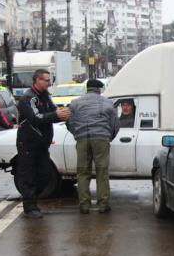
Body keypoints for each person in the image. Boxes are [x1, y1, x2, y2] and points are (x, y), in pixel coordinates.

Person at [16, 69, 70, 218]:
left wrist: (62, 114)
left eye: (49, 80)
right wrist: (55, 115)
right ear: (37, 80)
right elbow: (36, 117)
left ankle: (32, 197)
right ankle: (30, 206)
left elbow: (53, 112)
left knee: (46, 173)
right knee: (28, 174)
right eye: (46, 80)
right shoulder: (29, 98)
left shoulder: (45, 97)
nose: (49, 83)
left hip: (42, 144)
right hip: (28, 143)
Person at [66, 79, 119, 214]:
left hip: (82, 139)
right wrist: (108, 137)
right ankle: (103, 205)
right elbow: (115, 124)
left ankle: (84, 205)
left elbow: (69, 123)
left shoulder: (75, 103)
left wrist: (77, 134)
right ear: (99, 90)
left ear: (87, 88)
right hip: (101, 139)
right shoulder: (108, 103)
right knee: (102, 172)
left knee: (83, 172)